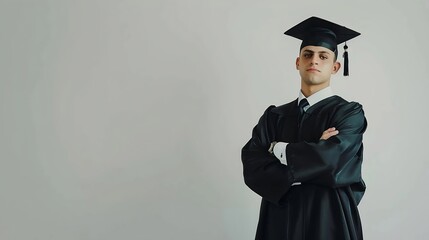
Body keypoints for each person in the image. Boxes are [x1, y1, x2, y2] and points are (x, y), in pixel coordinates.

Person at [241, 16, 368, 240]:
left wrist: (278, 150)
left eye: (323, 56)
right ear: (297, 62)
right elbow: (252, 167)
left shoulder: (348, 113)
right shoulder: (274, 116)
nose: (314, 61)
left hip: (330, 218)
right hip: (280, 219)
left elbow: (332, 160)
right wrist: (314, 154)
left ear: (335, 67)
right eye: (307, 54)